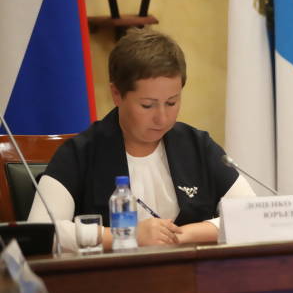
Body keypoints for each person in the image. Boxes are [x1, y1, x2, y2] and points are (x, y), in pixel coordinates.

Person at [28, 28, 254, 251]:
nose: (162, 118)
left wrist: (184, 235)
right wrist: (127, 235)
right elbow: (41, 232)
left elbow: (251, 214)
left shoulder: (197, 146)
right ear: (117, 94)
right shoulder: (80, 154)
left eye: (172, 102)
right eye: (147, 105)